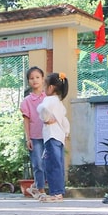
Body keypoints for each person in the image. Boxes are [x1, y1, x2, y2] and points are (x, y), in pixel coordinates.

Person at [36, 73, 71, 202]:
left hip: (51, 136)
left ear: (51, 87)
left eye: (45, 86)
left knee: (51, 164)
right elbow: (64, 120)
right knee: (58, 164)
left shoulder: (48, 100)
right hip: (59, 137)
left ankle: (56, 193)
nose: (44, 89)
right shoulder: (59, 103)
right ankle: (59, 191)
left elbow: (43, 110)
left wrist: (45, 118)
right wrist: (66, 132)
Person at [20, 66, 47, 197]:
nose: (35, 80)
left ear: (43, 79)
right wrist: (28, 138)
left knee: (51, 164)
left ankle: (54, 190)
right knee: (38, 164)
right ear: (28, 81)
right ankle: (40, 189)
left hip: (49, 136)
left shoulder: (48, 97)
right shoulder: (27, 101)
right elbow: (26, 120)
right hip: (35, 137)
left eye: (37, 77)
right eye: (31, 78)